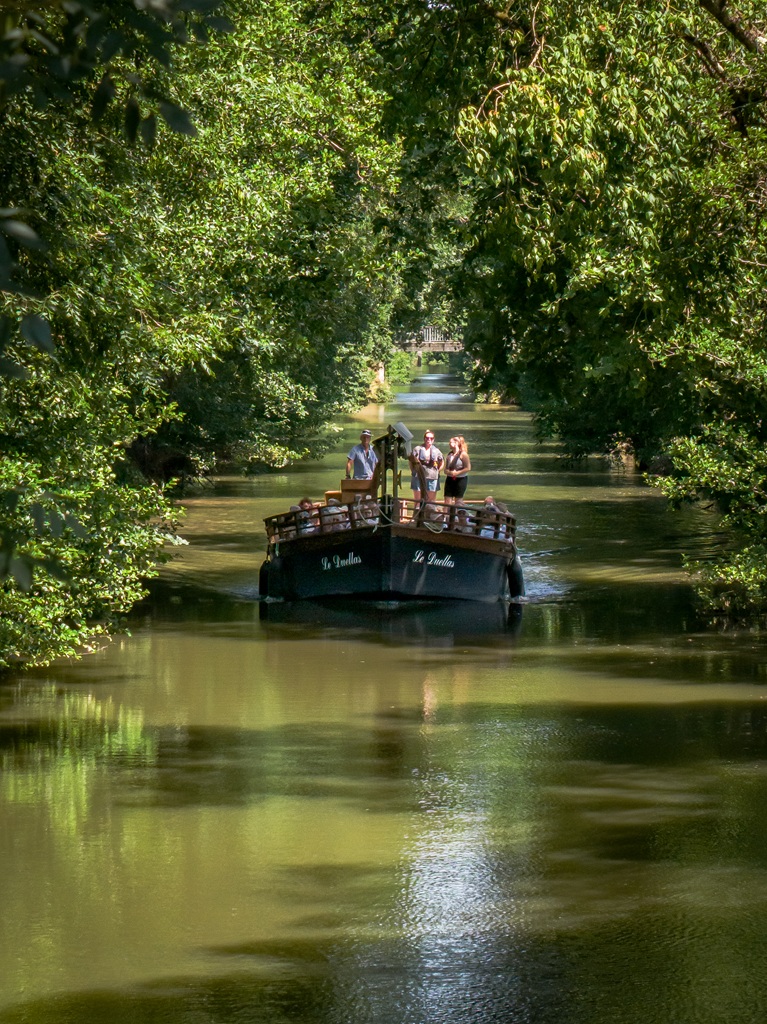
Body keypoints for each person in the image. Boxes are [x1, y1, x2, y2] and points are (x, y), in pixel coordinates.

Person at [409, 430, 444, 503]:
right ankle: (417, 513)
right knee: (418, 500)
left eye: (431, 438)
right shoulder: (417, 449)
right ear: (424, 438)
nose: (429, 440)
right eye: (427, 438)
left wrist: (437, 471)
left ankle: (429, 513)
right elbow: (411, 462)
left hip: (432, 477)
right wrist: (414, 471)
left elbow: (442, 462)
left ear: (433, 439)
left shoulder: (437, 451)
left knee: (430, 501)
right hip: (418, 476)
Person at [444, 435, 471, 504]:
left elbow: (468, 468)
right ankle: (446, 514)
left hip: (461, 479)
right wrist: (448, 472)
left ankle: (458, 513)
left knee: (458, 500)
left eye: (451, 442)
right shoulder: (450, 455)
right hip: (450, 479)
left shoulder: (463, 454)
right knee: (447, 499)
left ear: (456, 443)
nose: (449, 444)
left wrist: (457, 473)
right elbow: (446, 469)